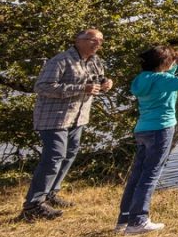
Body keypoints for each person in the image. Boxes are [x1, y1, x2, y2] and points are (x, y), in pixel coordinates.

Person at [20, 29, 113, 221]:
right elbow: (42, 87)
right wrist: (80, 88)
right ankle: (33, 205)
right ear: (78, 41)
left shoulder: (95, 61)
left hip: (78, 117)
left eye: (100, 41)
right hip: (54, 117)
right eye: (92, 40)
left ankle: (50, 194)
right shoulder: (60, 60)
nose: (97, 44)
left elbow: (98, 80)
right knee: (54, 156)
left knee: (69, 155)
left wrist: (106, 84)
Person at [116, 45, 178, 234]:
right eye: (170, 60)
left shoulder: (141, 79)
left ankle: (124, 219)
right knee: (150, 174)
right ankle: (138, 221)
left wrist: (172, 66)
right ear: (164, 62)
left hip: (143, 128)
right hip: (161, 128)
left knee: (137, 174)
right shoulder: (163, 79)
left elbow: (164, 76)